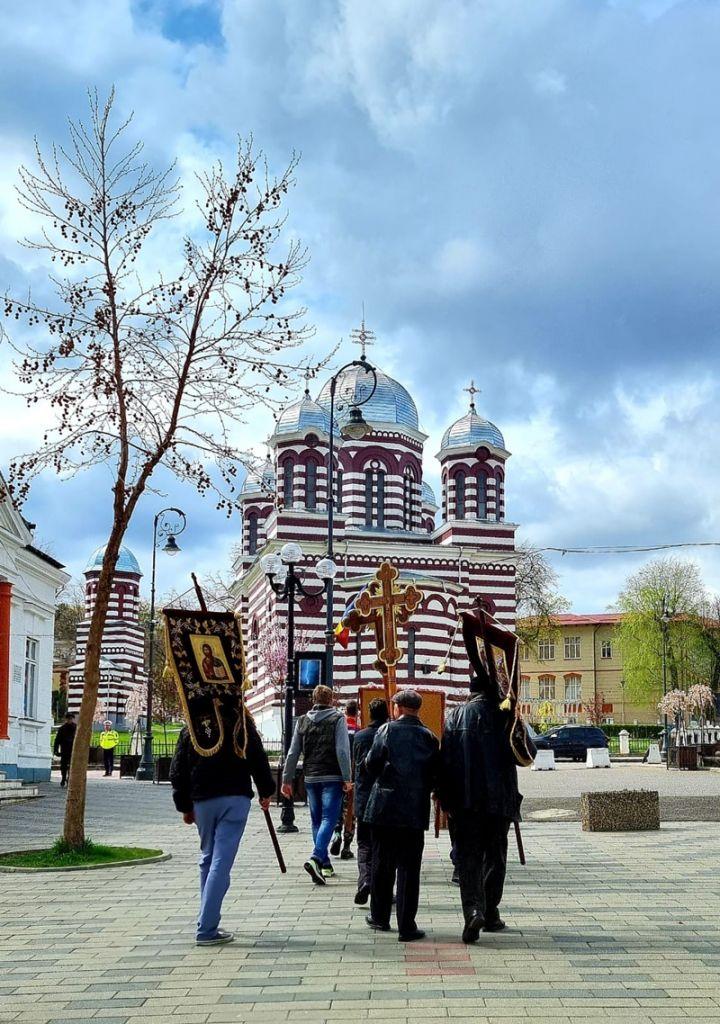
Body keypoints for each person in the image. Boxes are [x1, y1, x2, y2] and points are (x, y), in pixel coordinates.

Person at [170, 706, 275, 945]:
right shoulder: (241, 725)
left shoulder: (193, 726)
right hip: (235, 797)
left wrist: (184, 805)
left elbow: (178, 770)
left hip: (203, 800)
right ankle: (207, 927)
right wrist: (266, 790)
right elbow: (258, 759)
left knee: (208, 858)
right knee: (221, 861)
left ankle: (207, 919)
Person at [439, 673, 528, 944]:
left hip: (465, 800)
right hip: (499, 800)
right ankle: (490, 911)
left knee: (469, 858)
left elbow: (446, 760)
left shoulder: (455, 717)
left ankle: (473, 910)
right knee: (495, 857)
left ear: (471, 691)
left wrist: (444, 798)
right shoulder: (505, 715)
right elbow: (526, 754)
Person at [363, 688, 439, 942]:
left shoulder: (386, 730)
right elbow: (435, 774)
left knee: (382, 864)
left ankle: (380, 916)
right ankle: (407, 925)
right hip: (414, 810)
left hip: (384, 808)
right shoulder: (429, 736)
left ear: (398, 707)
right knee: (409, 868)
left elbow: (372, 763)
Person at [281, 684, 352, 885]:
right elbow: (342, 750)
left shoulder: (303, 720)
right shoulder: (337, 719)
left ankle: (325, 864)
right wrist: (347, 777)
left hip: (311, 776)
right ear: (331, 700)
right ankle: (315, 858)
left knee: (316, 820)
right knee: (329, 818)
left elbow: (293, 752)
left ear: (313, 700)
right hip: (332, 776)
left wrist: (286, 779)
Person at [351, 696, 389, 905]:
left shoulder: (360, 736)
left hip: (363, 795)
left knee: (364, 843)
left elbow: (356, 766)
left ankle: (365, 880)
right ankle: (381, 888)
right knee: (382, 846)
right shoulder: (390, 734)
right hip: (384, 797)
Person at [330, 699, 360, 860]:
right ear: (357, 712)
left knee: (336, 806)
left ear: (345, 711)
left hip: (337, 774)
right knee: (350, 811)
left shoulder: (338, 729)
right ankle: (347, 846)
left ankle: (336, 832)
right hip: (353, 776)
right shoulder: (360, 731)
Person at [53, 712, 77, 787]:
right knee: (63, 766)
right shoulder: (62, 728)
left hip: (73, 750)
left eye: (71, 719)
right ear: (66, 719)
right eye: (68, 719)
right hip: (64, 749)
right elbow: (57, 740)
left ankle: (70, 779)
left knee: (72, 766)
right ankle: (63, 777)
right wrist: (56, 750)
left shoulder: (76, 728)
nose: (70, 720)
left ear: (73, 719)